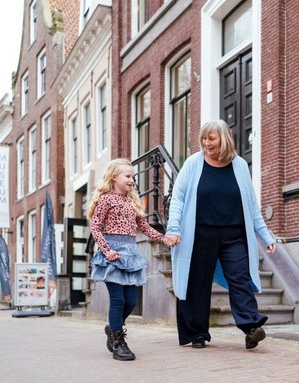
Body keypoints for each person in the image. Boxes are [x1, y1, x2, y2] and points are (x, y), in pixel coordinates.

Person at [164, 119, 276, 350]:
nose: (206, 143)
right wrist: (173, 228)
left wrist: (266, 236)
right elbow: (178, 199)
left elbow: (252, 206)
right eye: (203, 138)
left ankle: (251, 327)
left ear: (224, 139)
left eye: (211, 138)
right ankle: (196, 333)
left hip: (234, 234)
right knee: (196, 282)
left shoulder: (240, 166)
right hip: (200, 233)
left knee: (240, 278)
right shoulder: (193, 164)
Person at [88, 158, 168, 361]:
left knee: (131, 301)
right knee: (118, 300)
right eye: (128, 176)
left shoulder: (133, 200)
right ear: (115, 177)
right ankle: (118, 342)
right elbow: (95, 227)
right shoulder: (106, 199)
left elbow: (145, 227)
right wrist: (106, 251)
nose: (132, 180)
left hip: (130, 253)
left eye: (132, 176)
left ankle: (112, 326)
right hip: (112, 254)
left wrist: (164, 238)